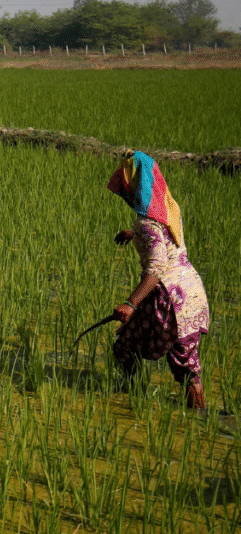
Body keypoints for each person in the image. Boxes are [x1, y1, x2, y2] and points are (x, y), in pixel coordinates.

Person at [106, 151, 210, 409]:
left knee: (125, 347)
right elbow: (166, 239)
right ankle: (199, 421)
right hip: (192, 295)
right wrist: (135, 235)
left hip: (167, 299)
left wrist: (130, 304)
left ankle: (135, 399)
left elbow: (156, 268)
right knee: (187, 367)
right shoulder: (169, 208)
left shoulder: (147, 224)